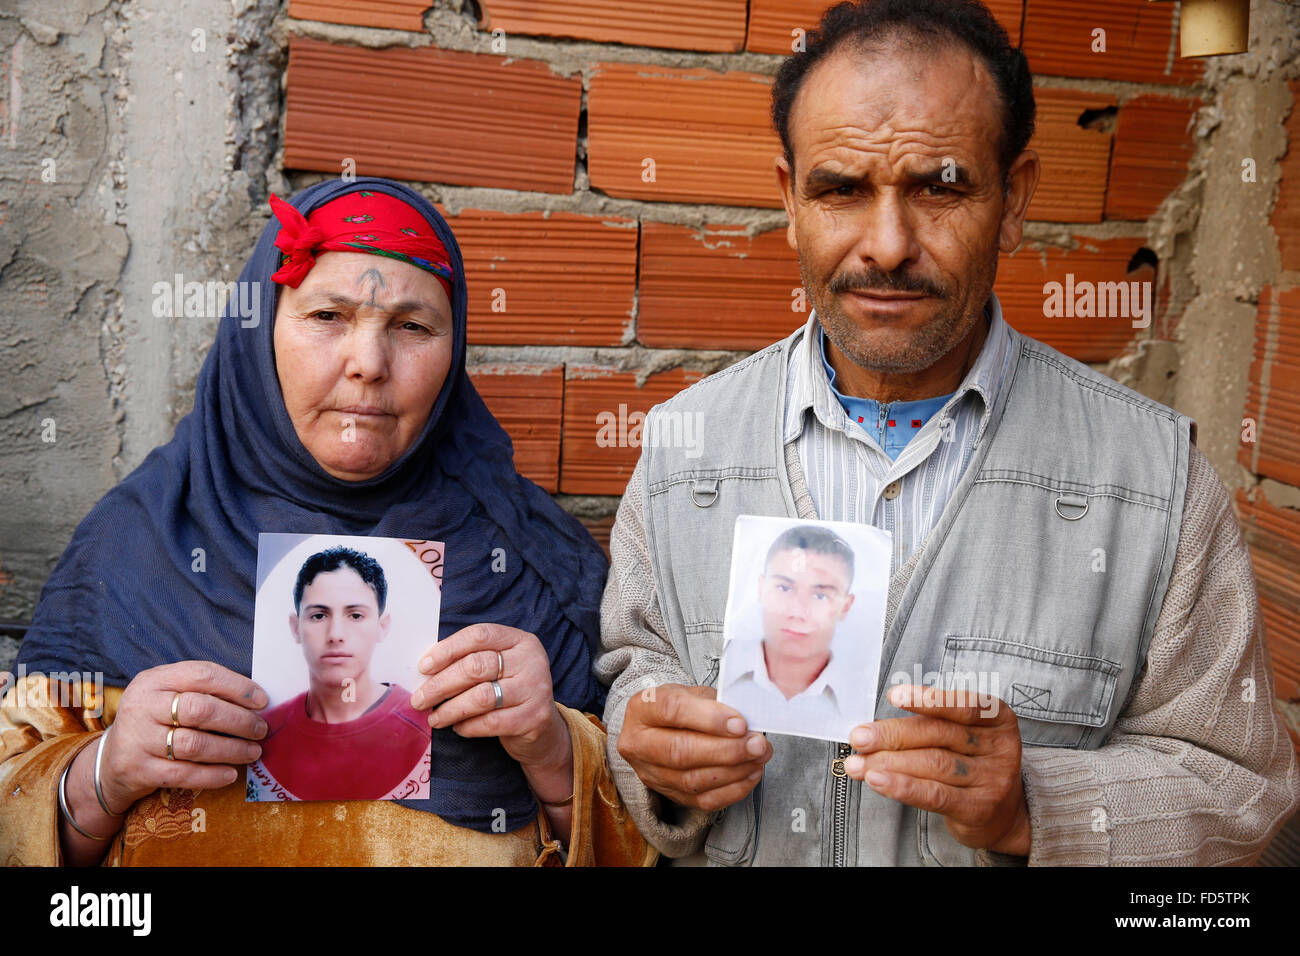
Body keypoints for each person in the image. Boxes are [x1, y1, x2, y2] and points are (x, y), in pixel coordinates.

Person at [597, 0, 1300, 866]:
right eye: (841, 189)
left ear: (1014, 201)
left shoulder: (1154, 481)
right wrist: (657, 759)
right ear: (789, 200)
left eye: (942, 187)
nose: (888, 246)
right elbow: (636, 669)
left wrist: (1036, 807)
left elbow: (1246, 798)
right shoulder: (681, 447)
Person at [0, 177, 655, 867]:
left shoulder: (532, 565)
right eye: (327, 317)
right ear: (262, 331)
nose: (368, 364)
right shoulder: (138, 543)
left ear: (454, 348)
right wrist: (103, 773)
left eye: (412, 326)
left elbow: (656, 841)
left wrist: (554, 753)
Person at [248, 546, 432, 802]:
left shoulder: (424, 728)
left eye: (355, 615)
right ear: (295, 627)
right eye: (319, 615)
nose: (335, 634)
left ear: (382, 626)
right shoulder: (262, 733)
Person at [720, 525, 858, 740]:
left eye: (820, 596)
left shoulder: (860, 702)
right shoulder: (726, 684)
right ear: (761, 588)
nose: (798, 612)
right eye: (784, 588)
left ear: (846, 606)